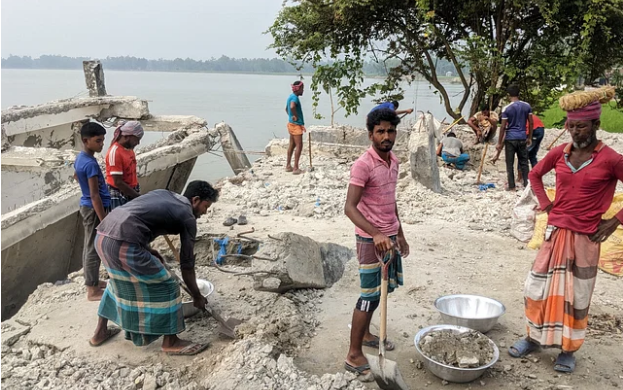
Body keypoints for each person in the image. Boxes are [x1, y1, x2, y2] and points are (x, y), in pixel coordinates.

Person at [508, 86, 622, 373]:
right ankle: (533, 338)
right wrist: (546, 204)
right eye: (570, 126)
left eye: (581, 126)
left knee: (576, 296)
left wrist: (614, 221)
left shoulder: (610, 159)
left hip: (586, 237)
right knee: (536, 288)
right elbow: (534, 175)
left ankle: (569, 349)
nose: (574, 131)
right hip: (555, 233)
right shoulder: (560, 153)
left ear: (596, 125)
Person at [89, 181, 220, 355]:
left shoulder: (162, 193)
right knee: (169, 283)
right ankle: (171, 342)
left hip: (103, 236)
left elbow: (136, 216)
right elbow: (187, 265)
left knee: (118, 280)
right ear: (195, 200)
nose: (204, 212)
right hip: (125, 243)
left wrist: (149, 250)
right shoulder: (188, 217)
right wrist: (197, 296)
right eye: (205, 206)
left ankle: (100, 332)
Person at [343, 108, 410, 376]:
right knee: (368, 296)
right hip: (371, 241)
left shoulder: (393, 161)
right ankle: (353, 354)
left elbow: (390, 201)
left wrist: (400, 233)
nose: (386, 136)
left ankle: (369, 335)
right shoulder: (363, 164)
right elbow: (350, 207)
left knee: (380, 293)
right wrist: (377, 234)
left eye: (390, 130)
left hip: (389, 237)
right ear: (370, 134)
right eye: (380, 131)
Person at [74, 122, 111, 301]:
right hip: (93, 208)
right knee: (92, 248)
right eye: (98, 141)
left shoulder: (82, 158)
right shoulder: (90, 164)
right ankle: (92, 290)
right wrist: (103, 219)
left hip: (88, 205)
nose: (102, 144)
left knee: (91, 245)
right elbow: (95, 195)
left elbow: (76, 175)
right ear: (86, 141)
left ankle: (94, 282)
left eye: (103, 140)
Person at [496, 85, 533, 190]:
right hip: (522, 137)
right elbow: (531, 122)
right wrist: (529, 137)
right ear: (518, 94)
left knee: (510, 163)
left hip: (510, 138)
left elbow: (503, 126)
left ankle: (512, 186)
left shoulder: (507, 108)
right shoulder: (527, 106)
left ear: (508, 95)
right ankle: (527, 185)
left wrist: (499, 142)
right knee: (524, 163)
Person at [105, 121, 144, 209]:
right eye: (136, 139)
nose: (138, 143)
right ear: (127, 136)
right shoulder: (115, 153)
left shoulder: (129, 150)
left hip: (131, 191)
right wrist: (137, 197)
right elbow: (118, 182)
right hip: (120, 193)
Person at [285, 80, 306, 175]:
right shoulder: (295, 99)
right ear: (298, 89)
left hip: (291, 124)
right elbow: (292, 106)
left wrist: (291, 116)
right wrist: (295, 116)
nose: (303, 90)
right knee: (299, 145)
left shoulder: (290, 96)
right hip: (296, 125)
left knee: (292, 145)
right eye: (302, 88)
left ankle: (288, 166)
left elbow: (286, 108)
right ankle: (296, 168)